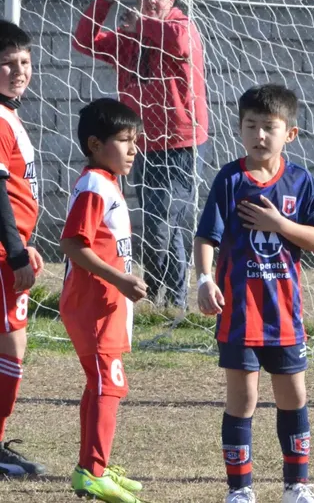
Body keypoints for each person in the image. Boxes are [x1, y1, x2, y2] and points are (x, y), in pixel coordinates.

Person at [195, 84, 314, 503]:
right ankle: (240, 490)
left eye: (268, 127)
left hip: (284, 314)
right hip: (240, 313)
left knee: (294, 395)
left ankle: (297, 486)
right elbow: (206, 237)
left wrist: (280, 225)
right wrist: (204, 280)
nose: (258, 135)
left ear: (289, 133)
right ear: (239, 129)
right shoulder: (230, 179)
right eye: (250, 125)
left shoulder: (300, 181)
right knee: (244, 398)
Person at [73, 0, 209, 311]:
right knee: (162, 224)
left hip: (180, 144)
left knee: (162, 224)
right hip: (141, 146)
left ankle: (160, 296)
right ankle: (171, 302)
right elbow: (83, 40)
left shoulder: (181, 27)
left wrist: (141, 26)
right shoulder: (129, 39)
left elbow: (178, 43)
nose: (150, 0)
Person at [60, 98, 148, 503]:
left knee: (101, 384)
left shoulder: (105, 181)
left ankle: (93, 465)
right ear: (95, 144)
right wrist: (118, 278)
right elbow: (73, 244)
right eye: (125, 141)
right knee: (109, 384)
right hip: (95, 304)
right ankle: (92, 473)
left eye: (135, 141)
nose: (133, 150)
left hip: (106, 303)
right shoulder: (95, 184)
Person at [0, 20, 45, 477]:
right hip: (1, 257)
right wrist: (15, 253)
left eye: (25, 62)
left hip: (10, 249)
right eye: (7, 64)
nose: (19, 71)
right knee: (11, 350)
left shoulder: (9, 114)